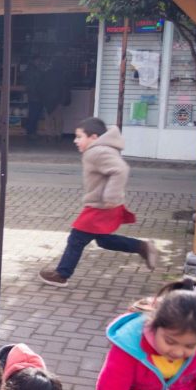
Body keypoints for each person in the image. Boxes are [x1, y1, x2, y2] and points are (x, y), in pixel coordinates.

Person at [39, 117, 157, 287]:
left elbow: (121, 170)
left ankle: (62, 274)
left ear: (93, 137)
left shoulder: (98, 151)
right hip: (102, 205)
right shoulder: (100, 149)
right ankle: (142, 247)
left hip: (101, 206)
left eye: (80, 137)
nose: (75, 140)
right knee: (104, 240)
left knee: (76, 239)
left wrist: (110, 196)